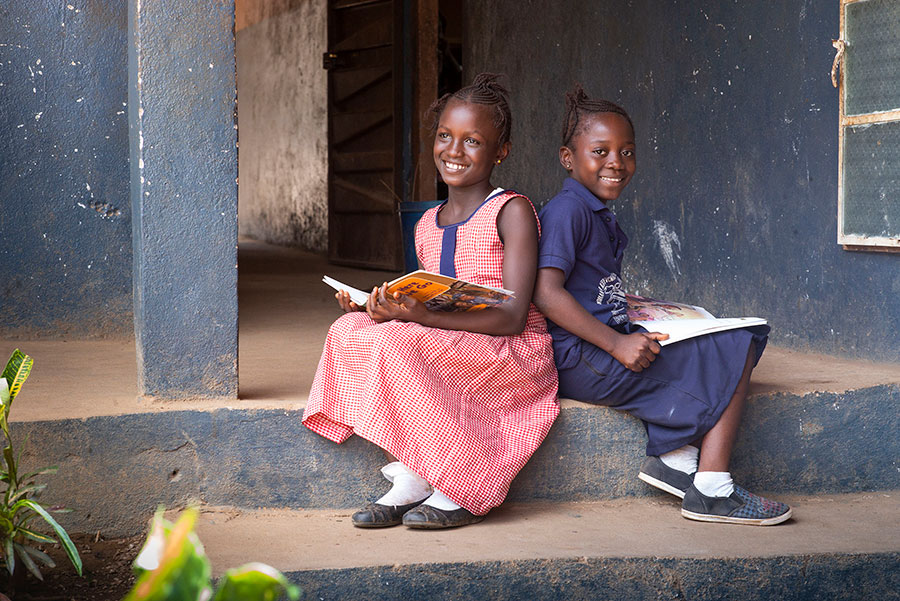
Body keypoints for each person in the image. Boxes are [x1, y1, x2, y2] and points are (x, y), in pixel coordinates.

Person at [303, 73, 559, 529]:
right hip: (452, 338)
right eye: (445, 136)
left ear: (501, 150)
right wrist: (380, 309)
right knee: (351, 330)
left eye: (472, 141)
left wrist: (419, 317)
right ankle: (413, 474)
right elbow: (431, 298)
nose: (454, 151)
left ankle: (458, 484)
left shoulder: (512, 210)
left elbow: (514, 317)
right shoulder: (427, 224)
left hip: (510, 351)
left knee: (401, 343)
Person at [533, 85, 791, 526]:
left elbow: (589, 288)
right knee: (737, 345)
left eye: (627, 151)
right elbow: (546, 292)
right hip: (583, 357)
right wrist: (617, 342)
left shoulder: (594, 211)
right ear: (567, 158)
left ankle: (675, 458)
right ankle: (712, 488)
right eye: (600, 151)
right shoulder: (567, 212)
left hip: (601, 346)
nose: (616, 162)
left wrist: (635, 312)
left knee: (725, 339)